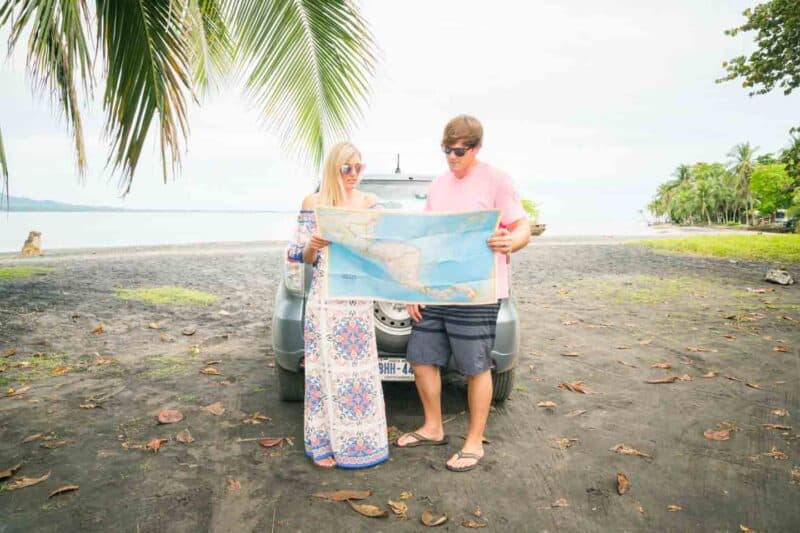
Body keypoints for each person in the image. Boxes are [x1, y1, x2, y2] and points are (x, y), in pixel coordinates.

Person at [395, 115, 531, 472]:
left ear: (476, 148)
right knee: (422, 357)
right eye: (446, 150)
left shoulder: (496, 180)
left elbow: (522, 226)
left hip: (477, 291)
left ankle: (474, 442)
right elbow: (427, 238)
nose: (451, 157)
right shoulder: (438, 185)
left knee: (475, 365)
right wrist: (415, 287)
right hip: (436, 290)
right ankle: (433, 426)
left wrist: (510, 241)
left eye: (458, 151)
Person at [287, 141, 389, 469]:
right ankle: (323, 443)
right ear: (334, 168)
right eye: (348, 168)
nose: (354, 174)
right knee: (324, 373)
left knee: (358, 376)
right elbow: (299, 256)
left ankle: (362, 443)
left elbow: (382, 253)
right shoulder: (313, 202)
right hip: (324, 303)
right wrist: (313, 246)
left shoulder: (370, 203)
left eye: (360, 168)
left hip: (357, 302)